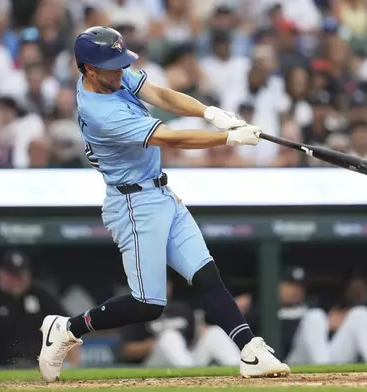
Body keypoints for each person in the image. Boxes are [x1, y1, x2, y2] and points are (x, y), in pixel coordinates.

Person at [38, 26, 289, 382]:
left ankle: (251, 351)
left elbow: (160, 94)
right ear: (88, 68)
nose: (119, 69)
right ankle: (67, 329)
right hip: (133, 203)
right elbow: (168, 137)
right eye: (110, 65)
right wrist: (226, 139)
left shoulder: (113, 77)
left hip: (159, 193)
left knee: (206, 275)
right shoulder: (99, 112)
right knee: (148, 305)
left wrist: (210, 112)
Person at [0, 250, 77, 368]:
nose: (16, 280)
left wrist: (72, 363)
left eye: (20, 275)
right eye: (12, 275)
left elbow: (68, 329)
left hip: (38, 367)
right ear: (0, 274)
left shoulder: (43, 298)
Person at [119, 279, 240, 367]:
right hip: (154, 364)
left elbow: (194, 339)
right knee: (169, 336)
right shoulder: (137, 311)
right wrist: (157, 343)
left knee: (214, 332)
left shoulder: (181, 309)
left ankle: (241, 372)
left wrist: (202, 332)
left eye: (165, 283)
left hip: (188, 361)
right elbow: (127, 350)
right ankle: (188, 375)